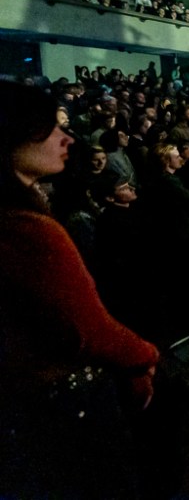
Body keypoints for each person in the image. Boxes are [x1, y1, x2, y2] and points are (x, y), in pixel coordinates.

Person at [0, 80, 159, 497]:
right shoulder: (26, 230)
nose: (67, 138)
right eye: (50, 129)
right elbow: (88, 328)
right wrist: (146, 356)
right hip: (60, 414)